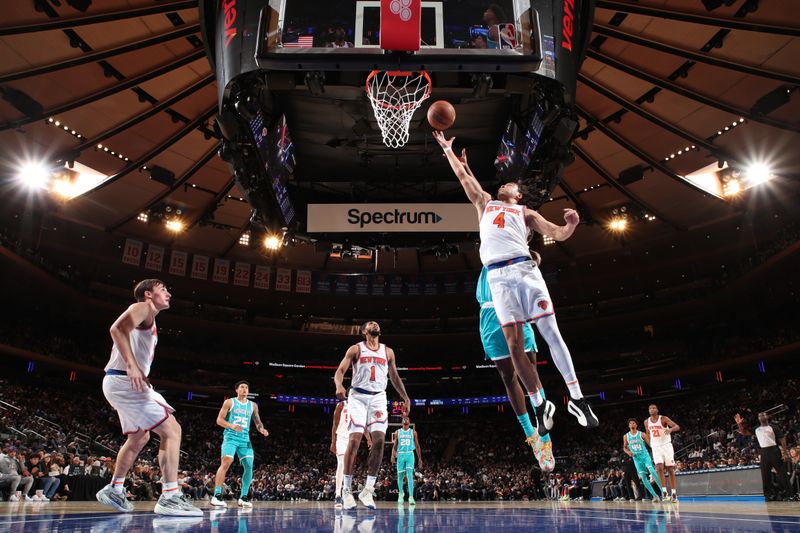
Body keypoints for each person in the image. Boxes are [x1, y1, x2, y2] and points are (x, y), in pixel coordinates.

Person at [433, 131, 598, 429]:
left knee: (550, 331)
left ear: (518, 195)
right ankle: (540, 404)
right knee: (514, 346)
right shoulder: (485, 203)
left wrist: (571, 225)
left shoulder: (526, 213)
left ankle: (577, 398)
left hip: (524, 272)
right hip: (498, 278)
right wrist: (447, 149)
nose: (506, 184)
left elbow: (557, 233)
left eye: (511, 184)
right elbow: (463, 178)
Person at [95, 279, 202, 516]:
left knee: (139, 438)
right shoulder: (142, 307)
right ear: (148, 294)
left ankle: (115, 489)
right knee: (172, 430)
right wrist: (132, 366)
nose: (169, 294)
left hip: (121, 382)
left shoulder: (149, 319)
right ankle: (170, 497)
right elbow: (116, 329)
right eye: (163, 289)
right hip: (124, 380)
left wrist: (139, 371)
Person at [476, 246, 555, 471]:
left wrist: (531, 258)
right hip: (490, 313)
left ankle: (545, 437)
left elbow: (536, 259)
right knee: (508, 376)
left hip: (516, 309)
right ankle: (530, 433)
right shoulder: (490, 241)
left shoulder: (523, 250)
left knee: (531, 371)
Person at [334, 320, 412, 510]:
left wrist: (406, 397)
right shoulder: (356, 349)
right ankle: (346, 490)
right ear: (364, 331)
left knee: (379, 441)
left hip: (378, 397)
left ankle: (367, 490)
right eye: (370, 323)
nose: (374, 324)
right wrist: (339, 384)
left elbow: (394, 376)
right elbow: (340, 371)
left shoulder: (388, 351)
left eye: (376, 323)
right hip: (358, 396)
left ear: (380, 331)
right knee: (354, 440)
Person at [210, 381, 269, 508]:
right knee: (226, 462)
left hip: (245, 440)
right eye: (242, 387)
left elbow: (257, 421)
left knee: (249, 466)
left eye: (247, 387)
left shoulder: (253, 405)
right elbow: (219, 420)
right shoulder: (229, 402)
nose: (244, 389)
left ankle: (243, 497)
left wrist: (261, 429)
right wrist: (231, 425)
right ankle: (217, 495)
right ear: (236, 390)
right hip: (231, 437)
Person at [735, 411, 791, 501]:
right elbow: (744, 432)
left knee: (782, 473)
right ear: (758, 418)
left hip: (774, 450)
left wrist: (785, 453)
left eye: (763, 415)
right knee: (765, 475)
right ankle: (769, 495)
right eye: (759, 415)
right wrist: (739, 424)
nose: (761, 416)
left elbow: (782, 439)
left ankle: (789, 494)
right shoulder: (756, 429)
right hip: (763, 452)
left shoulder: (773, 427)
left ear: (767, 417)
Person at [330, 399, 372, 508]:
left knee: (348, 466)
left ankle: (346, 493)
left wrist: (368, 438)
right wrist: (333, 442)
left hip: (352, 439)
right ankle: (338, 494)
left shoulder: (359, 408)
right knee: (341, 464)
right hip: (341, 438)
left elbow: (363, 425)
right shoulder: (341, 405)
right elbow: (334, 424)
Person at [646, 404, 680, 502]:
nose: (651, 409)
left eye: (653, 408)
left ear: (657, 410)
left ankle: (674, 494)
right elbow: (648, 435)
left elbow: (677, 426)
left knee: (670, 469)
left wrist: (671, 429)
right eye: (650, 408)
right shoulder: (646, 421)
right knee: (659, 468)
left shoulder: (663, 419)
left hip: (666, 445)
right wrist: (651, 445)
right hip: (656, 447)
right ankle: (664, 492)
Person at [624, 418, 664, 502]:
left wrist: (657, 451)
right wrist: (628, 452)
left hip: (645, 456)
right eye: (630, 423)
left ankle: (663, 492)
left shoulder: (642, 434)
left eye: (633, 423)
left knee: (652, 471)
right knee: (643, 477)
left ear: (636, 425)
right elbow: (625, 447)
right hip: (636, 459)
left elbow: (651, 444)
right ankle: (655, 496)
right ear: (628, 426)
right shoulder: (626, 436)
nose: (632, 424)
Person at [391, 416, 423, 505]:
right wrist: (392, 455)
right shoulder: (398, 432)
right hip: (400, 454)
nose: (406, 419)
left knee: (409, 475)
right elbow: (395, 445)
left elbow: (417, 446)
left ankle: (411, 497)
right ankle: (401, 494)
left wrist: (420, 458)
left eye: (407, 418)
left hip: (410, 454)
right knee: (400, 476)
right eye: (404, 419)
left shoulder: (413, 432)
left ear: (409, 422)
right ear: (402, 422)